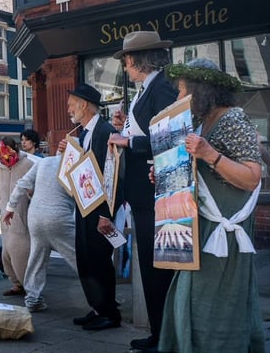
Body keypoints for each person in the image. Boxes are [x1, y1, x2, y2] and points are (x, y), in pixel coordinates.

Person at [159, 58, 264, 352]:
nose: (179, 99)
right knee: (188, 299)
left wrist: (210, 154)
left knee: (214, 306)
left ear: (200, 91)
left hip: (222, 237)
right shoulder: (201, 121)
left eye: (183, 92)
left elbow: (252, 177)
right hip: (199, 229)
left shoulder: (233, 119)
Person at [107, 30, 177, 350]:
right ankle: (158, 332)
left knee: (157, 269)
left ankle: (163, 335)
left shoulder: (162, 88)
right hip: (142, 195)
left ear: (134, 60)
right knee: (150, 268)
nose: (125, 67)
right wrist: (125, 126)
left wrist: (127, 140)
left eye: (126, 61)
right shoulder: (145, 89)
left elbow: (170, 139)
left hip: (154, 194)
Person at [59, 83, 121, 331]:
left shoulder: (105, 131)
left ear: (84, 105)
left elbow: (113, 174)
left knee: (99, 260)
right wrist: (67, 153)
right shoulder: (83, 133)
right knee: (85, 258)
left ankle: (109, 313)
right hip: (84, 206)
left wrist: (107, 214)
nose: (69, 108)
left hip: (99, 209)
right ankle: (97, 307)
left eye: (72, 103)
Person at [2, 155, 77, 313]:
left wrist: (10, 208)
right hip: (59, 217)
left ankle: (32, 299)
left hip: (35, 217)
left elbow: (22, 183)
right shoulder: (78, 162)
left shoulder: (44, 162)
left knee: (37, 259)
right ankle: (100, 297)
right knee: (80, 258)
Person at [0, 137, 33, 296]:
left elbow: (36, 190)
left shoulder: (28, 165)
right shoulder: (0, 168)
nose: (2, 157)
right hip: (5, 219)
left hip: (22, 218)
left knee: (21, 252)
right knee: (6, 254)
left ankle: (30, 287)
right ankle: (17, 284)